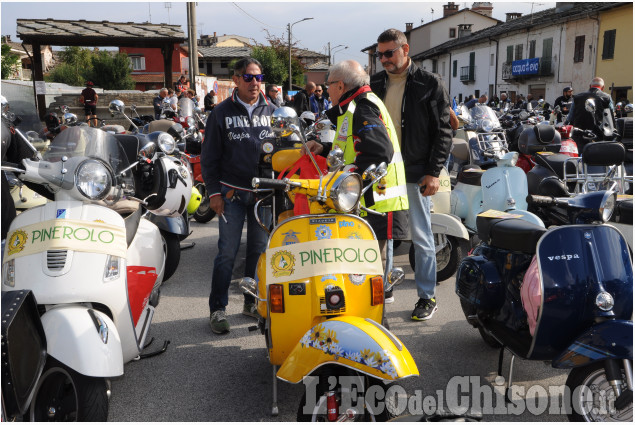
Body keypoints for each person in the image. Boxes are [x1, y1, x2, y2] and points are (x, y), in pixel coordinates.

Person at [304, 60, 409, 304]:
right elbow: (353, 148)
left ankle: (374, 332)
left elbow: (378, 152)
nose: (326, 90)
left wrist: (347, 180)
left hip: (377, 202)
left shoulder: (362, 108)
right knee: (362, 275)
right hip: (369, 201)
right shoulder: (353, 107)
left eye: (328, 84)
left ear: (340, 86)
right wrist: (324, 148)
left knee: (372, 282)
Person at [369, 28, 453, 321]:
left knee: (420, 235)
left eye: (389, 53)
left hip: (416, 171)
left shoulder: (429, 83)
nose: (384, 60)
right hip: (382, 172)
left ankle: (427, 297)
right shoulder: (376, 82)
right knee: (383, 233)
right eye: (380, 55)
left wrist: (433, 172)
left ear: (406, 50)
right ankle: (384, 288)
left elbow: (444, 131)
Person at [200, 58, 276, 335]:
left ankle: (251, 301)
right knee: (226, 254)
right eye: (248, 77)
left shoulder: (274, 110)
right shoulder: (220, 112)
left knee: (258, 253)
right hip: (231, 195)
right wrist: (215, 193)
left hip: (264, 196)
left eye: (258, 77)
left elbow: (285, 149)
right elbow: (209, 159)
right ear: (235, 79)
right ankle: (218, 309)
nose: (254, 82)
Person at [565, 77, 615, 150]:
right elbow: (611, 115)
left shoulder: (577, 97)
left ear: (590, 86)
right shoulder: (607, 97)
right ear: (603, 87)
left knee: (578, 156)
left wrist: (566, 124)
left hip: (579, 134)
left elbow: (570, 117)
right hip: (599, 135)